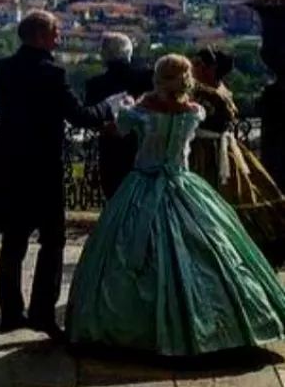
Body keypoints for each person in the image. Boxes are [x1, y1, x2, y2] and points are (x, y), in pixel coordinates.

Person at [66, 54, 285, 357]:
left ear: (157, 77)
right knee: (212, 248)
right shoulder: (193, 113)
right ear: (187, 80)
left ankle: (133, 326)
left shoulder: (140, 111)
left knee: (126, 253)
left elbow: (117, 130)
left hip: (142, 182)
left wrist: (114, 112)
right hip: (183, 184)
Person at [0, 10, 116, 340]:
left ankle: (11, 313)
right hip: (43, 167)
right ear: (41, 36)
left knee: (13, 242)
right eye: (56, 32)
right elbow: (79, 117)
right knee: (52, 241)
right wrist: (110, 106)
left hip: (10, 163)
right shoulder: (52, 72)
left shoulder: (2, 70)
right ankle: (43, 312)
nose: (60, 37)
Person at [189, 47, 285, 265]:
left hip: (209, 151)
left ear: (210, 69)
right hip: (216, 147)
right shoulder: (213, 89)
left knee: (227, 193)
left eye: (199, 64)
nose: (194, 67)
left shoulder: (207, 93)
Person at [85, 33, 154, 201]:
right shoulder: (146, 78)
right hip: (142, 144)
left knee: (114, 194)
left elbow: (90, 117)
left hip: (110, 144)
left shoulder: (95, 84)